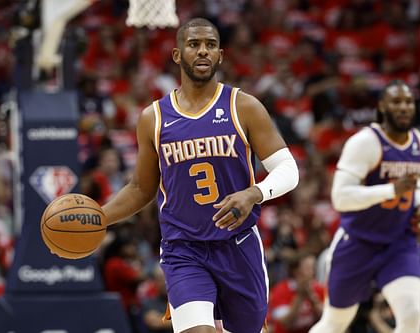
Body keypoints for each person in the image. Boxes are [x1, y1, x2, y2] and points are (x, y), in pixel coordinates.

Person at [102, 18, 299, 333]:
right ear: (178, 55)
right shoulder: (153, 118)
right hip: (184, 249)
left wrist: (254, 193)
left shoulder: (243, 107)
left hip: (238, 245)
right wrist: (99, 218)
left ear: (220, 55)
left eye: (210, 45)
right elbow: (140, 188)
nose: (202, 51)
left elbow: (288, 169)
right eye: (194, 44)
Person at [310, 80, 420, 333]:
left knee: (411, 315)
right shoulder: (364, 143)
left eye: (408, 102)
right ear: (382, 107)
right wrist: (391, 190)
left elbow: (415, 184)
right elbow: (340, 198)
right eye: (396, 102)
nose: (403, 107)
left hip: (399, 243)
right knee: (335, 323)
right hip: (358, 242)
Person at [268, 253, 324, 333]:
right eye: (308, 268)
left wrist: (312, 298)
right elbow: (285, 323)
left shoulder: (318, 288)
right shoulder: (281, 290)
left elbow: (326, 318)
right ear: (296, 271)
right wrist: (299, 297)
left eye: (313, 268)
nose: (312, 272)